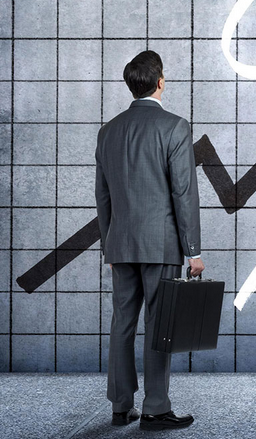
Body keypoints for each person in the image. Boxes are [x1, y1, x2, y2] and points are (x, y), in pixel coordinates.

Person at [95, 50, 204, 431]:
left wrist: (109, 246)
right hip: (161, 244)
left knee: (122, 321)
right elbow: (184, 193)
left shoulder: (108, 130)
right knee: (161, 325)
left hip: (120, 243)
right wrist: (194, 251)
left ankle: (120, 405)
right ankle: (156, 408)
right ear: (160, 82)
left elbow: (103, 195)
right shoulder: (175, 126)